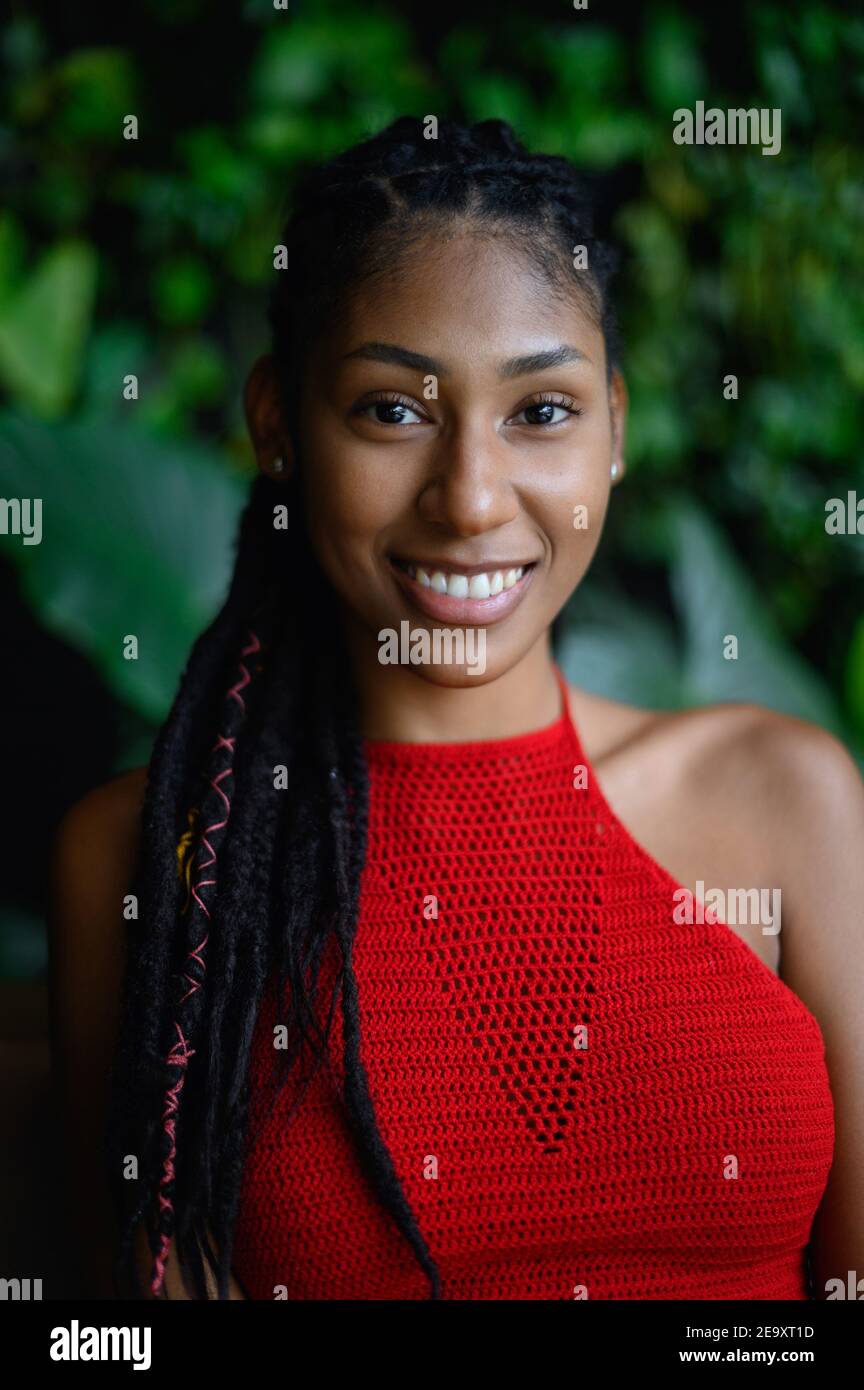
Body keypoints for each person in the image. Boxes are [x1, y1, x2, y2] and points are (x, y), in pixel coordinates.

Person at [51, 117, 863, 1301]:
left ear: (616, 431)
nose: (473, 498)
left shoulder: (788, 798)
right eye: (394, 409)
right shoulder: (156, 856)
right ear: (278, 423)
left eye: (541, 412)